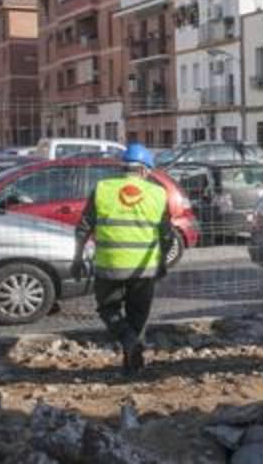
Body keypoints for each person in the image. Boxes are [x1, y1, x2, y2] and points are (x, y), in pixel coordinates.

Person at [71, 143, 173, 376]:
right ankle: (132, 355)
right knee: (138, 315)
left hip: (109, 266)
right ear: (145, 170)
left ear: (122, 167)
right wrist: (163, 262)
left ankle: (130, 352)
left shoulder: (103, 189)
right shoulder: (158, 193)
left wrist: (77, 258)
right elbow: (166, 235)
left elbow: (83, 227)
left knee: (108, 309)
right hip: (143, 270)